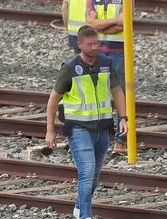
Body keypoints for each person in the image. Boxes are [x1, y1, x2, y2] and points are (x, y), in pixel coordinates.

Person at [45, 26, 128, 219]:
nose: (95, 47)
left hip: (102, 129)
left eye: (96, 43)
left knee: (94, 177)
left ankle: (79, 207)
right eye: (90, 44)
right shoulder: (70, 68)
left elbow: (117, 91)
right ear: (80, 44)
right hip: (78, 129)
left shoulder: (106, 64)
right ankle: (85, 215)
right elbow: (53, 100)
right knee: (87, 172)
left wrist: (123, 117)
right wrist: (50, 130)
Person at [84, 0, 135, 154]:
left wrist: (100, 23)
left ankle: (121, 140)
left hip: (119, 53)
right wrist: (113, 21)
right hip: (98, 53)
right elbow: (89, 24)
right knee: (98, 95)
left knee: (119, 95)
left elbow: (124, 24)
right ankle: (100, 137)